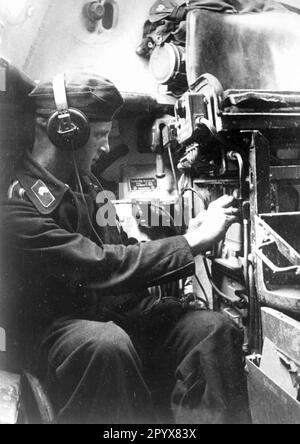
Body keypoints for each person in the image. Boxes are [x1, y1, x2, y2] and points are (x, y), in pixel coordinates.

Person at [0, 71, 249, 424]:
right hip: (56, 332)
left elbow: (122, 249)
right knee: (104, 342)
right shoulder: (14, 206)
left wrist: (185, 238)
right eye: (101, 135)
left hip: (114, 316)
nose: (105, 147)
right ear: (63, 131)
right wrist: (189, 244)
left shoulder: (90, 185)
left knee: (213, 329)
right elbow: (99, 266)